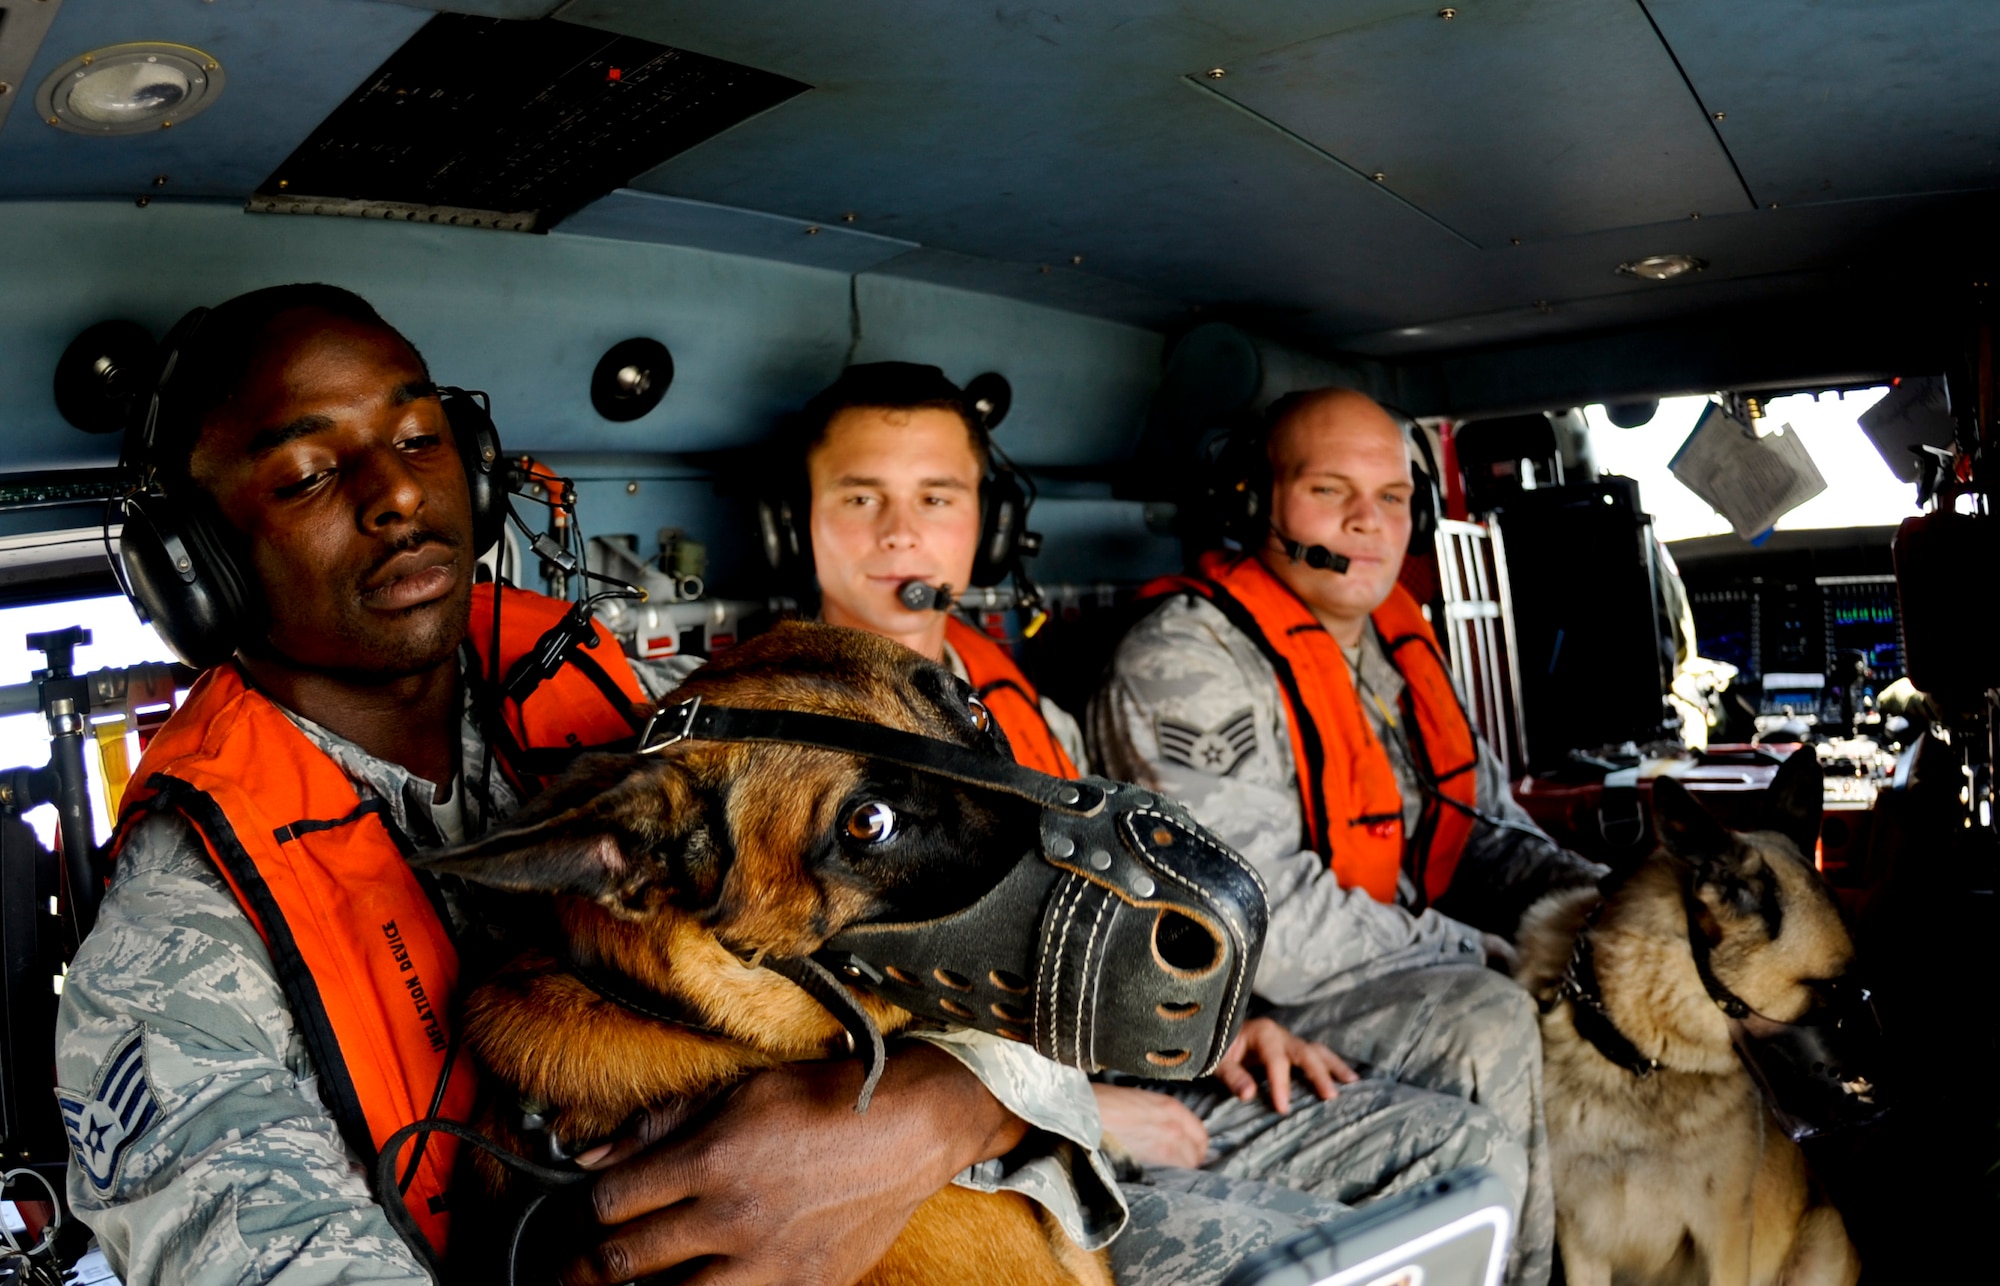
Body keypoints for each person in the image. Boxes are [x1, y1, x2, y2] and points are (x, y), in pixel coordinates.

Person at [53, 287, 1128, 1286]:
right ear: (194, 562)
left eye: (419, 439)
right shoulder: (174, 949)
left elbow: (1029, 976)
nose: (394, 492)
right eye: (307, 474)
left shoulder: (679, 714)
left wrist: (938, 1111)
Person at [779, 363, 1532, 1278]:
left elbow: (1109, 902)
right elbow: (810, 1029)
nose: (902, 533)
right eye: (862, 498)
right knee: (1306, 1255)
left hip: (1105, 1081)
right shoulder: (778, 745)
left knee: (1462, 1145)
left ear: (991, 526)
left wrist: (1212, 1024)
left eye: (937, 497)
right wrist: (1063, 1101)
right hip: (967, 1153)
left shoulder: (1015, 710)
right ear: (794, 524)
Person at [1089, 388, 1610, 1286]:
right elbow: (1265, 926)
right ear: (1259, 505)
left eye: (1394, 497)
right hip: (1241, 998)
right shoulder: (1185, 661)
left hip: (1370, 961)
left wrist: (1605, 906)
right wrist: (1483, 950)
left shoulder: (1395, 650)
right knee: (1487, 1015)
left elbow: (1483, 831)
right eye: (1330, 491)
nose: (1368, 523)